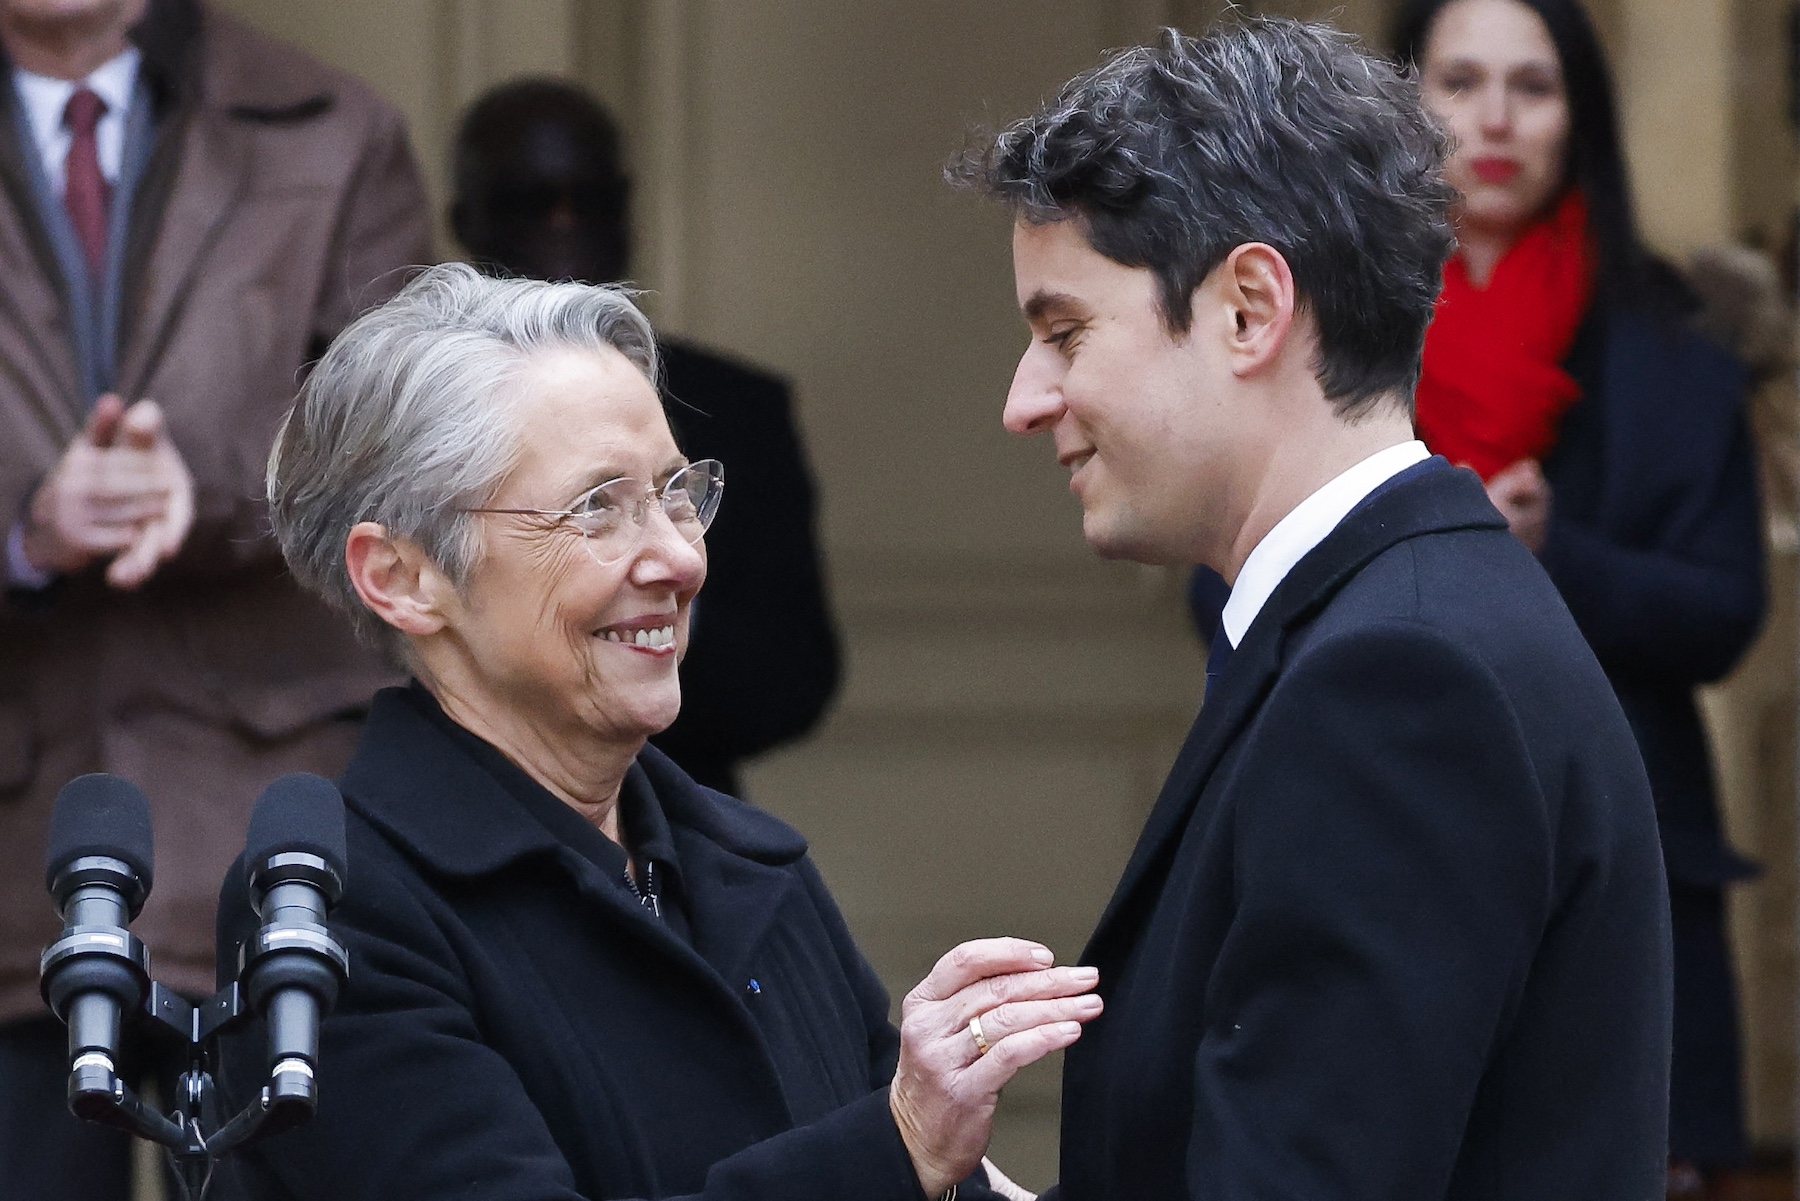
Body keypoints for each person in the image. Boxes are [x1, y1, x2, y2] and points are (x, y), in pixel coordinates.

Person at [952, 18, 1670, 1200]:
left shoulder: (1397, 680)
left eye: (1064, 331)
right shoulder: (1400, 625)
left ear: (1249, 308)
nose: (1027, 399)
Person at [215, 263, 1097, 1201]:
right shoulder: (335, 911)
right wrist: (903, 1142)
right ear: (402, 575)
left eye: (677, 493)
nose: (679, 558)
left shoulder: (752, 868)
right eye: (598, 507)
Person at [0, 0, 429, 1196]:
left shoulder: (334, 128)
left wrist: (203, 491)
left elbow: (401, 439)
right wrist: (27, 530)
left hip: (269, 821)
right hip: (14, 840)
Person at [1392, 2, 1766, 1186]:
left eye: (1534, 86)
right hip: (1383, 860)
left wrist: (1556, 553)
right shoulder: (1320, 330)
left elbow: (1723, 609)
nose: (1495, 119)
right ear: (1404, 103)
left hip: (1627, 877)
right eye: (1459, 80)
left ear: (1581, 115)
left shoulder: (1674, 347)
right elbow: (1222, 598)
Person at [450, 78, 840, 796]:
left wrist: (627, 641)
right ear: (465, 219)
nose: (565, 224)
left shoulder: (737, 409)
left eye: (591, 198)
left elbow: (793, 678)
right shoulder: (411, 425)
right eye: (529, 201)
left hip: (675, 822)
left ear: (627, 212)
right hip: (453, 816)